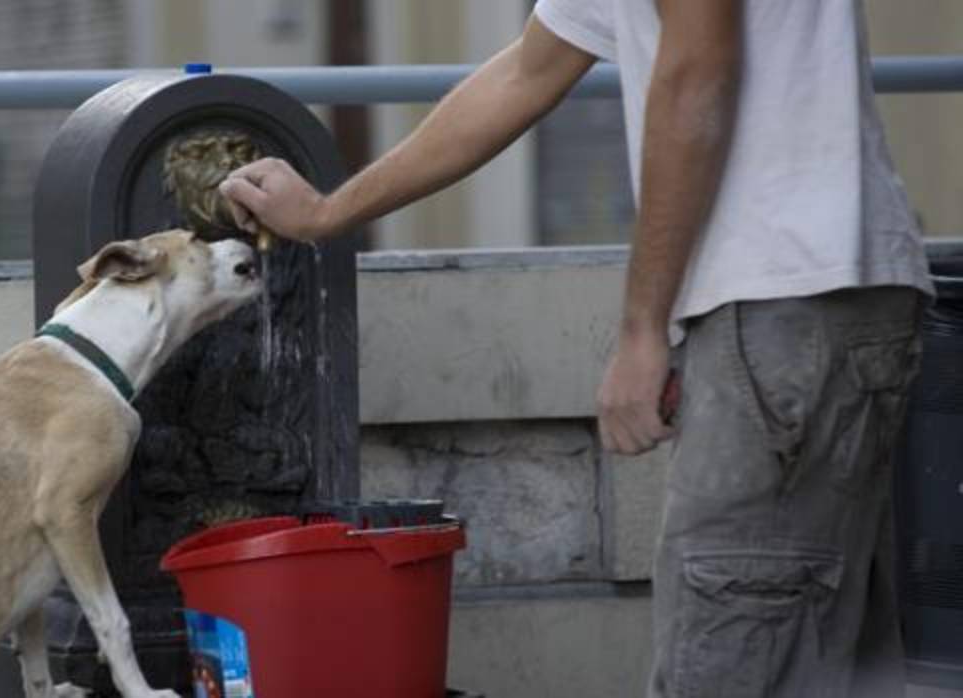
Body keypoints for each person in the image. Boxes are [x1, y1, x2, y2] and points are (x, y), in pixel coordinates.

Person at [220, 1, 932, 696]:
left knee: (727, 658)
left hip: (782, 302)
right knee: (824, 663)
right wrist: (327, 212)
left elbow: (696, 71)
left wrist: (642, 330)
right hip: (806, 301)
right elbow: (528, 71)